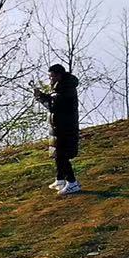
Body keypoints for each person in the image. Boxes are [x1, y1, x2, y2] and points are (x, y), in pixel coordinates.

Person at [33, 63, 82, 195]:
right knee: (57, 154)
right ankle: (60, 179)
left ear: (59, 76)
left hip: (65, 128)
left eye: (52, 77)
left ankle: (72, 183)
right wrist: (42, 96)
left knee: (62, 154)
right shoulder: (61, 88)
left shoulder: (65, 89)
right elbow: (52, 100)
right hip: (59, 127)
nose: (50, 80)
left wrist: (40, 97)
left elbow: (53, 106)